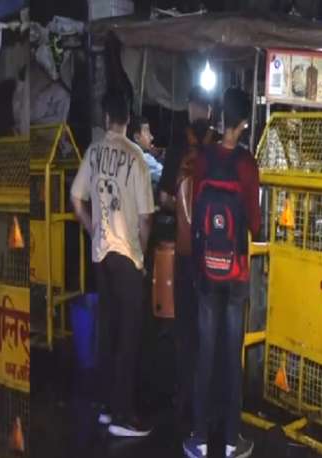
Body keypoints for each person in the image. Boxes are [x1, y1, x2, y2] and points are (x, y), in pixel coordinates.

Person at [71, 91, 155, 437]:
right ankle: (123, 415)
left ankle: (106, 407)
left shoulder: (93, 152)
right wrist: (141, 255)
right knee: (129, 336)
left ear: (106, 118)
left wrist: (93, 229)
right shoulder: (136, 157)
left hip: (101, 254)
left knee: (107, 330)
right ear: (128, 120)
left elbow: (76, 198)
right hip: (127, 254)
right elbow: (146, 218)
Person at [183, 88, 259, 458]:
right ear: (243, 123)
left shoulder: (204, 157)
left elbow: (196, 207)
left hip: (206, 272)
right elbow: (256, 224)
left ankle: (198, 438)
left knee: (205, 353)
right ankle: (231, 441)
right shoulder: (247, 164)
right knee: (231, 356)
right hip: (237, 273)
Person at [156, 85, 220, 427]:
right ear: (209, 110)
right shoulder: (221, 147)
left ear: (190, 107)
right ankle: (206, 400)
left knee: (184, 329)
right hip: (213, 257)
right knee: (209, 328)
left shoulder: (177, 146)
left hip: (184, 252)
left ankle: (183, 397)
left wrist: (180, 209)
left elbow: (164, 197)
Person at [128, 115, 163, 189]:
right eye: (147, 132)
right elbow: (165, 176)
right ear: (137, 137)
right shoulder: (143, 158)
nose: (152, 137)